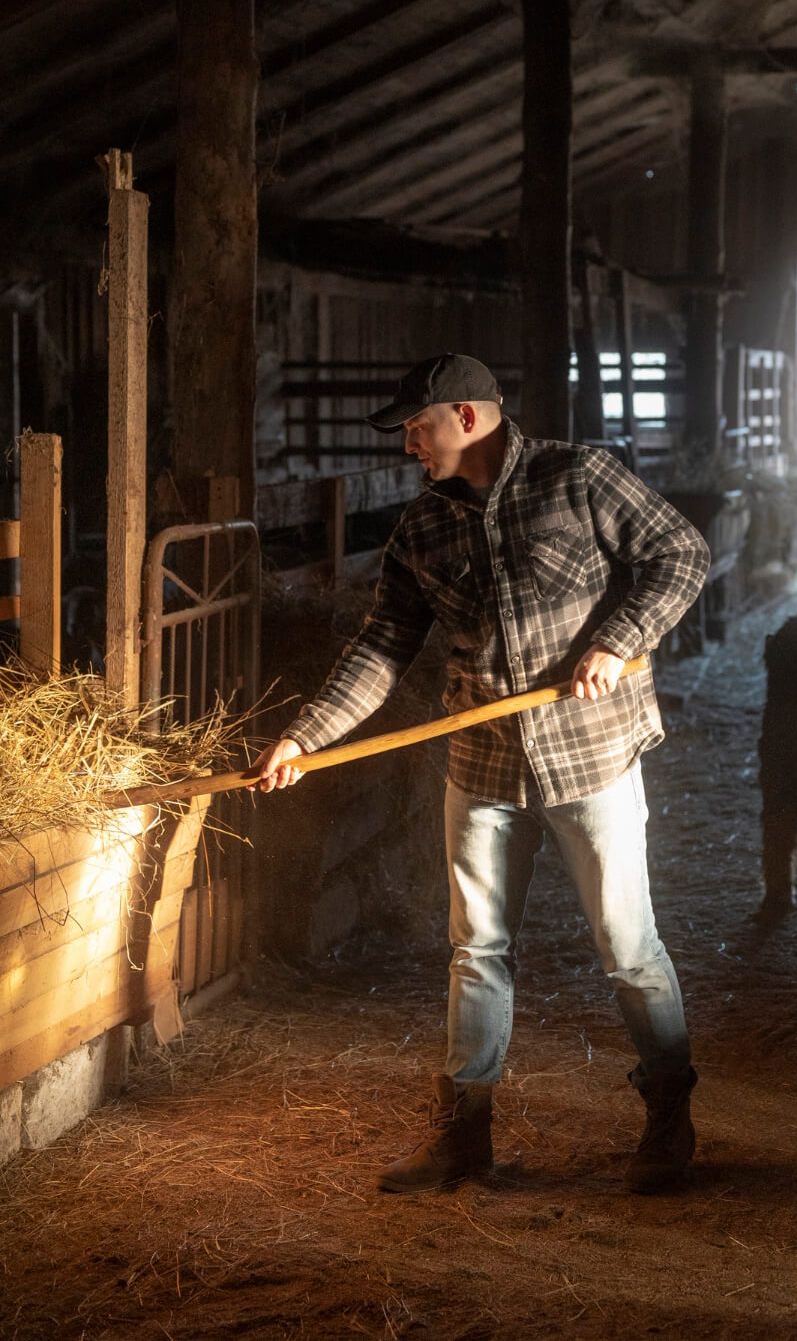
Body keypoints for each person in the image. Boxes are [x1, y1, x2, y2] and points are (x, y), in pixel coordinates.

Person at [256, 353, 711, 1195]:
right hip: (484, 765)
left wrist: (616, 640)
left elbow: (679, 554)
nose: (408, 447)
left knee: (626, 946)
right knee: (476, 950)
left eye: (416, 428)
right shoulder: (422, 528)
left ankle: (667, 1114)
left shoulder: (577, 479)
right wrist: (303, 738)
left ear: (466, 417)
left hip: (590, 753)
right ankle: (463, 1136)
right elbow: (381, 646)